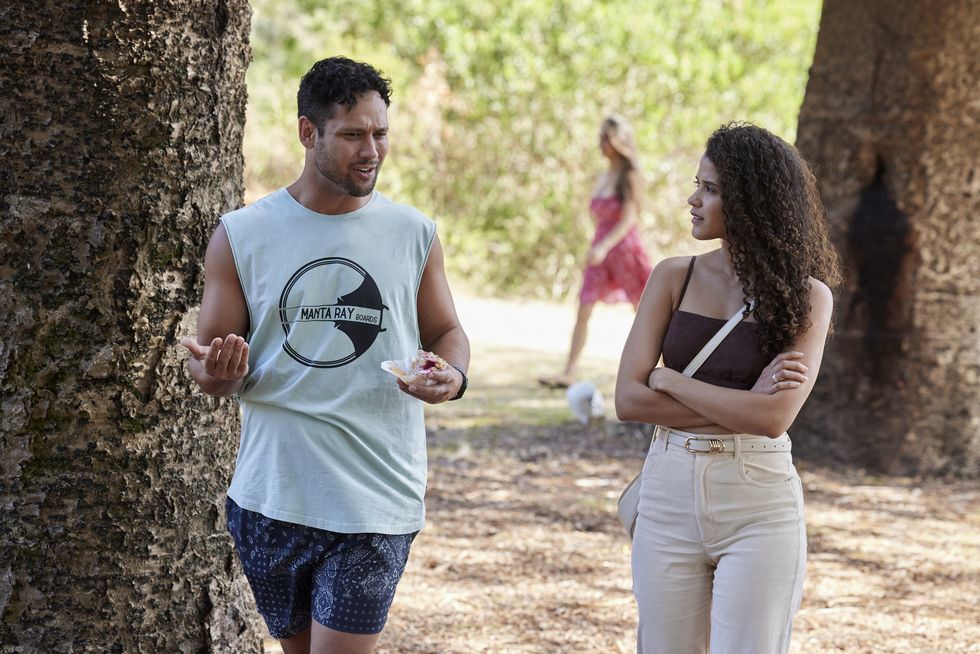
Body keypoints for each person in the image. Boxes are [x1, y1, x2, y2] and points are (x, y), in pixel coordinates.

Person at [179, 56, 469, 654]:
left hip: (374, 500)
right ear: (308, 133)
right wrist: (214, 371)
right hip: (270, 496)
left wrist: (453, 376)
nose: (372, 151)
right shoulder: (242, 233)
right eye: (353, 135)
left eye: (380, 133)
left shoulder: (414, 233)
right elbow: (207, 366)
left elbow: (446, 332)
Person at [615, 122, 840, 654]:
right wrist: (741, 404)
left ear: (753, 200)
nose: (694, 200)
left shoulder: (808, 299)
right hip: (668, 490)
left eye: (711, 189)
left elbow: (772, 420)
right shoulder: (674, 277)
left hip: (758, 499)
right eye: (698, 184)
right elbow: (628, 400)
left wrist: (669, 381)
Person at [539, 114, 653, 389]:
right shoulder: (604, 175)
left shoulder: (630, 175)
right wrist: (598, 246)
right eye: (600, 136)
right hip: (600, 248)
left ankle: (662, 371)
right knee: (584, 305)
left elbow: (630, 218)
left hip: (622, 247)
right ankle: (569, 371)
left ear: (618, 141)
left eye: (606, 137)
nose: (600, 143)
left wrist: (605, 245)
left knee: (645, 309)